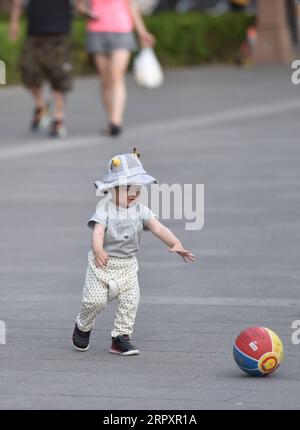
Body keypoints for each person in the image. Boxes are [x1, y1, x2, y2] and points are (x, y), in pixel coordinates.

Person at [72, 150, 195, 355]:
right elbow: (98, 231)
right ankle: (83, 325)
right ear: (112, 189)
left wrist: (176, 243)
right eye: (128, 188)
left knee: (130, 301)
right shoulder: (104, 209)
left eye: (137, 190)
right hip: (102, 263)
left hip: (128, 265)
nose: (134, 194)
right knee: (94, 301)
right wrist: (98, 249)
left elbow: (158, 228)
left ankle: (120, 337)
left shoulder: (141, 210)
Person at [75, 0, 156, 137]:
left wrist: (142, 32)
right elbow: (80, 6)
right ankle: (110, 118)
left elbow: (132, 7)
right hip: (97, 31)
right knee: (106, 79)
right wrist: (87, 12)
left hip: (122, 31)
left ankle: (116, 121)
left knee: (116, 76)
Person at [9, 0, 78, 138]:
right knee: (28, 72)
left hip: (60, 32)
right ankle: (41, 106)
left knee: (59, 77)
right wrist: (14, 22)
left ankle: (58, 119)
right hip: (34, 33)